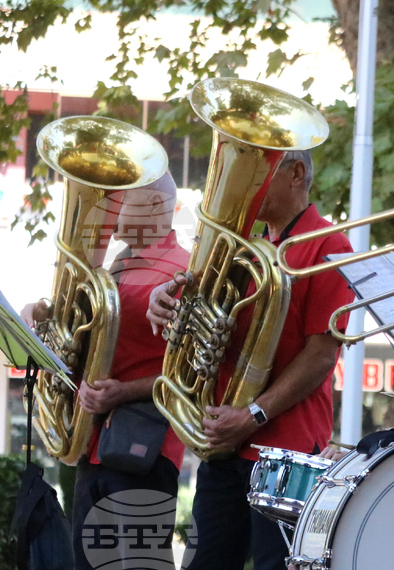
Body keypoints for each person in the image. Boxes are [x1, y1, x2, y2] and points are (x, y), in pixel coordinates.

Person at [147, 150, 354, 570]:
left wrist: (254, 414)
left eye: (257, 173)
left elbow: (321, 354)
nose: (243, 187)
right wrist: (166, 304)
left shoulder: (330, 243)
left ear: (296, 173)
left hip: (286, 451)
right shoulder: (242, 246)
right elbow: (203, 313)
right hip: (224, 443)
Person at [22, 172, 189, 570]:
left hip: (146, 449)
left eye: (120, 200)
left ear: (155, 205)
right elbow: (81, 340)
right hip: (94, 448)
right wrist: (46, 316)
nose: (109, 210)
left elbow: (193, 375)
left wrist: (123, 392)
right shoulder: (115, 268)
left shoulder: (184, 269)